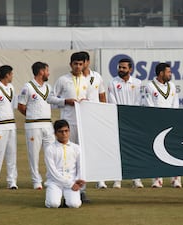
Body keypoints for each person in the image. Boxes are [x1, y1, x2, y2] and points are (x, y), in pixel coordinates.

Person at [18, 62, 55, 190]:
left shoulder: (48, 87)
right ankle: (36, 180)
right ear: (41, 71)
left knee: (51, 153)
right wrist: (32, 116)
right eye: (47, 70)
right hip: (33, 125)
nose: (48, 73)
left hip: (48, 124)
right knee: (33, 154)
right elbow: (21, 106)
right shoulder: (27, 87)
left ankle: (51, 178)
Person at [107, 58, 144, 189]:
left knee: (134, 150)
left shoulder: (138, 83)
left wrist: (132, 116)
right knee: (118, 150)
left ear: (130, 69)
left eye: (124, 68)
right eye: (120, 67)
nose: (121, 70)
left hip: (133, 120)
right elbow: (111, 101)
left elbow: (139, 101)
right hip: (118, 119)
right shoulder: (112, 83)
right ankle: (117, 180)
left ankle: (137, 179)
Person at [144, 62, 181, 188]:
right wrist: (157, 119)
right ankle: (157, 179)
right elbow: (148, 104)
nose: (170, 74)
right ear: (161, 73)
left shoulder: (172, 86)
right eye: (168, 72)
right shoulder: (150, 86)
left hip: (171, 123)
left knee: (173, 150)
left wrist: (173, 118)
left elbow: (175, 103)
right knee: (156, 150)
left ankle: (176, 178)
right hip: (156, 123)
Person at [79, 51, 108, 189]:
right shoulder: (75, 78)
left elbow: (102, 96)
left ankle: (100, 179)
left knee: (98, 149)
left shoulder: (97, 77)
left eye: (82, 62)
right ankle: (81, 180)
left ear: (87, 62)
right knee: (80, 150)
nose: (79, 65)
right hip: (80, 117)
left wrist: (103, 115)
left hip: (95, 117)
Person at [47, 52, 88, 144]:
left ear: (84, 65)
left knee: (82, 149)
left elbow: (91, 99)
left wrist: (87, 102)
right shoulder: (63, 80)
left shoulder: (86, 80)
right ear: (71, 64)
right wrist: (65, 101)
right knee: (68, 147)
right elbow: (49, 98)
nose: (78, 66)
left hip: (83, 120)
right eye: (75, 64)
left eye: (80, 64)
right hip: (68, 121)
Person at [44, 119, 85, 208]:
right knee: (53, 204)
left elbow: (80, 167)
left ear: (69, 131)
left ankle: (68, 199)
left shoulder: (76, 148)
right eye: (60, 132)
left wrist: (78, 180)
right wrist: (70, 184)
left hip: (72, 180)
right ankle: (53, 197)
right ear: (55, 133)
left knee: (74, 204)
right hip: (55, 182)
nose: (64, 134)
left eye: (66, 131)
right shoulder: (50, 149)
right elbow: (52, 172)